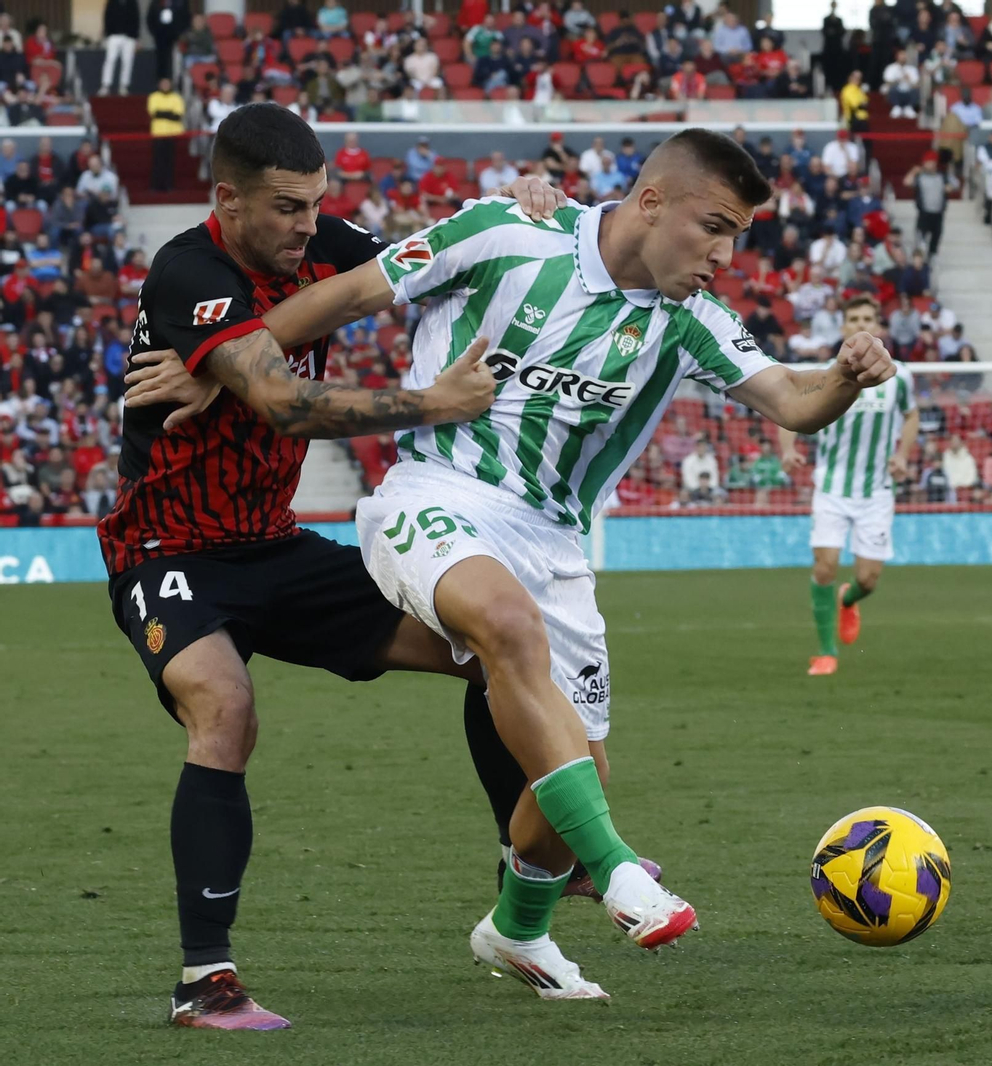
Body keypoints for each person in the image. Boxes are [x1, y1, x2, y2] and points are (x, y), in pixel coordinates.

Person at [216, 126, 898, 995]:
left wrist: (845, 374)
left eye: (738, 238)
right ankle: (617, 870)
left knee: (570, 778)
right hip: (437, 494)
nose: (725, 255)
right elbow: (347, 296)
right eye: (715, 227)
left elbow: (795, 405)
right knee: (508, 628)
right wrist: (222, 363)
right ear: (651, 203)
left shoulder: (692, 321)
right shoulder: (507, 232)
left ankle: (516, 931)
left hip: (556, 544)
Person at [106, 104, 568, 1027]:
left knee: (484, 645)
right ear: (226, 199)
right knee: (225, 710)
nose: (306, 227)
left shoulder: (322, 245)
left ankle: (533, 853)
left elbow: (444, 257)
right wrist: (432, 401)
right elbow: (282, 406)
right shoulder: (186, 269)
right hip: (168, 548)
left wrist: (526, 205)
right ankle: (205, 982)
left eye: (316, 205)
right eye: (284, 208)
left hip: (273, 543)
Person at [777, 296, 918, 676]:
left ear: (879, 326)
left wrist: (902, 454)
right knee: (825, 567)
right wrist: (788, 450)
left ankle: (849, 598)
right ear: (843, 328)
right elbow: (785, 409)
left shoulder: (899, 377)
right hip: (832, 489)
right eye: (853, 319)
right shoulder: (826, 374)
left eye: (868, 318)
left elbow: (911, 414)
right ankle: (826, 652)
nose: (861, 324)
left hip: (876, 492)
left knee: (868, 580)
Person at [102, 0, 140, 95]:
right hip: (114, 35)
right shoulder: (112, 2)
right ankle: (106, 85)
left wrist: (135, 37)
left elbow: (136, 19)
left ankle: (123, 86)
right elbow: (107, 17)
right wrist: (108, 34)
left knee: (127, 62)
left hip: (129, 37)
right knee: (110, 60)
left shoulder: (132, 2)